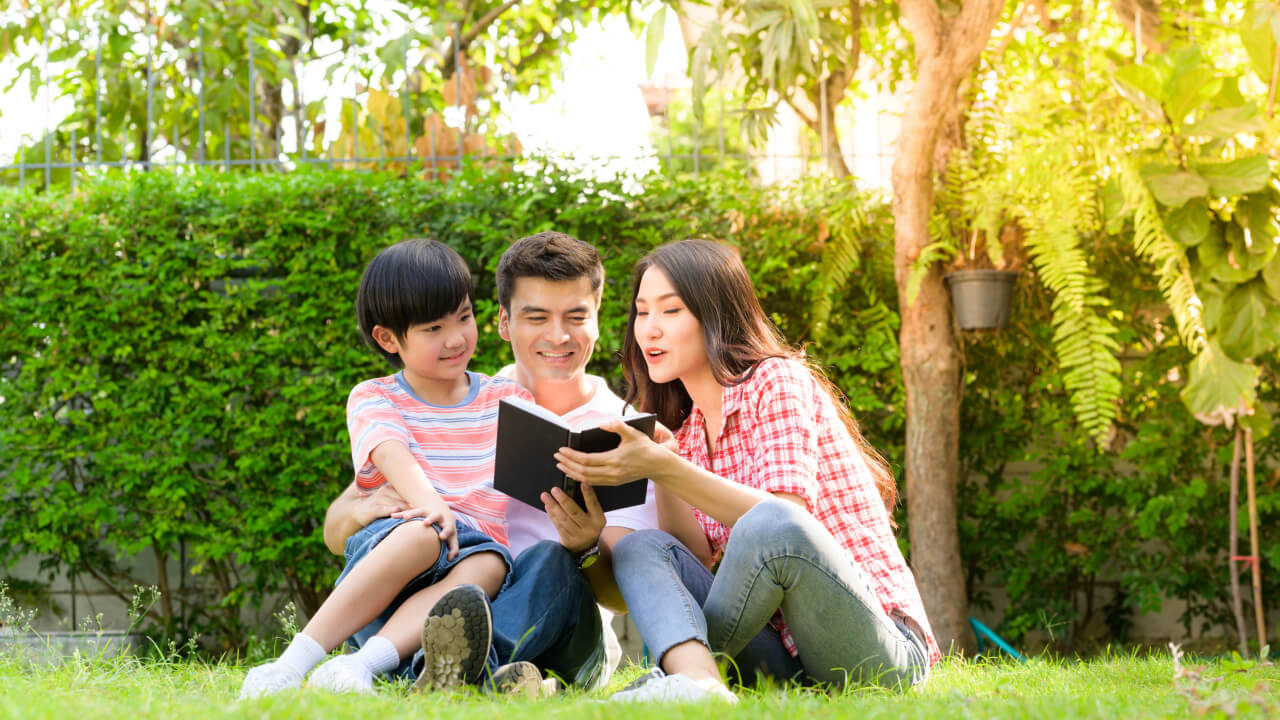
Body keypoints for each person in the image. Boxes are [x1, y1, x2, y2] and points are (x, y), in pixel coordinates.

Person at [554, 239, 941, 702]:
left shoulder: (776, 382)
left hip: (876, 649)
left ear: (715, 314)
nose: (649, 330)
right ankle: (700, 683)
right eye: (642, 312)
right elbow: (692, 564)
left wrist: (666, 468)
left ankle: (677, 674)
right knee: (643, 546)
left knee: (770, 520)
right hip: (783, 660)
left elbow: (785, 522)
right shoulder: (690, 434)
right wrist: (663, 470)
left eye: (671, 311)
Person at [323, 231, 659, 691]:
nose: (558, 336)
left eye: (576, 316)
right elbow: (342, 528)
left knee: (550, 560)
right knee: (418, 556)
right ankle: (469, 677)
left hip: (553, 621)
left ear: (598, 318)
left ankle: (447, 670)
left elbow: (620, 599)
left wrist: (585, 549)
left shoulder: (629, 435)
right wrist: (357, 512)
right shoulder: (471, 401)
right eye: (536, 317)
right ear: (503, 322)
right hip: (430, 604)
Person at [240, 238, 529, 698]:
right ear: (389, 338)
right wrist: (431, 504)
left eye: (464, 316)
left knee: (493, 562)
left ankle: (359, 666)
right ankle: (290, 665)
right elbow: (391, 452)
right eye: (433, 328)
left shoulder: (508, 400)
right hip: (397, 543)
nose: (456, 338)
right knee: (423, 533)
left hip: (468, 557)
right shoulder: (375, 396)